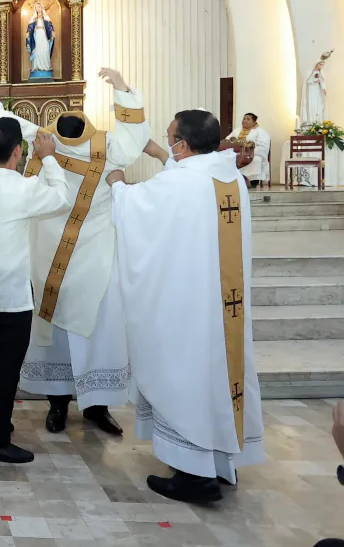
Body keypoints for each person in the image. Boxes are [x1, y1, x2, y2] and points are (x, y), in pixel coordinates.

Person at [108, 109, 264, 504]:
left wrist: (117, 185)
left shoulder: (180, 183)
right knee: (219, 379)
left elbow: (136, 210)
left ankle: (195, 477)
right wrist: (161, 156)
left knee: (187, 379)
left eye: (171, 138)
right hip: (223, 306)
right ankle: (220, 463)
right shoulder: (229, 176)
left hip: (188, 307)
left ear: (185, 143)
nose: (170, 144)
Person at [19, 69, 150, 437]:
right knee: (58, 328)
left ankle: (96, 404)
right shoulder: (54, 146)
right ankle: (58, 403)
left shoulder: (53, 147)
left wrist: (123, 86)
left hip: (94, 252)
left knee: (96, 327)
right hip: (50, 251)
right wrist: (123, 90)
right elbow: (137, 133)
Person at [0, 120, 70, 464]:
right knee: (3, 367)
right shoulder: (23, 189)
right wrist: (50, 157)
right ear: (17, 151)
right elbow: (61, 198)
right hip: (10, 291)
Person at [226, 112, 270, 187]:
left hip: (252, 154)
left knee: (256, 160)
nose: (245, 121)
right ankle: (232, 181)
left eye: (248, 119)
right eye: (244, 119)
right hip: (236, 153)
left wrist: (249, 151)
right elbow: (227, 141)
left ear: (254, 122)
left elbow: (263, 146)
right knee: (227, 158)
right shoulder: (237, 130)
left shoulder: (260, 131)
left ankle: (252, 182)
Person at [26, 2, 55, 79]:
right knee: (37, 51)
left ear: (42, 8)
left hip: (44, 36)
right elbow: (29, 30)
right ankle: (36, 67)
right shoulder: (33, 19)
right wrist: (28, 35)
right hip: (36, 36)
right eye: (37, 7)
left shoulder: (46, 18)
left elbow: (50, 28)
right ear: (35, 9)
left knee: (45, 50)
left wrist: (52, 33)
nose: (38, 9)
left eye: (40, 7)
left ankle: (46, 67)